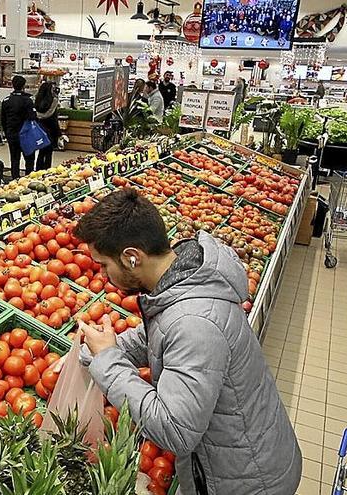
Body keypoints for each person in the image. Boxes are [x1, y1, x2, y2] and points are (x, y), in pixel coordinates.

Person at [72, 189, 302, 495]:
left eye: (103, 265)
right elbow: (159, 333)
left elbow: (175, 430)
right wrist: (97, 352)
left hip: (248, 481)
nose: (101, 275)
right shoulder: (184, 279)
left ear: (132, 257)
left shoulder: (194, 322)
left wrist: (108, 362)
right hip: (237, 457)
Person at [0, 75, 36, 179]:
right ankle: (28, 179)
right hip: (26, 135)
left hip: (12, 135)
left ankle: (15, 180)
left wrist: (7, 133)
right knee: (29, 159)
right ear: (24, 86)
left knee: (14, 159)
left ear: (12, 85)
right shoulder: (28, 100)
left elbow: (3, 119)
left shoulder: (6, 100)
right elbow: (32, 117)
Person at [34, 81, 60, 171]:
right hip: (50, 131)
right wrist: (59, 134)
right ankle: (46, 171)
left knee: (41, 153)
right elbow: (54, 121)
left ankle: (38, 170)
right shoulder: (53, 101)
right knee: (48, 154)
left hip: (39, 130)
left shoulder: (37, 101)